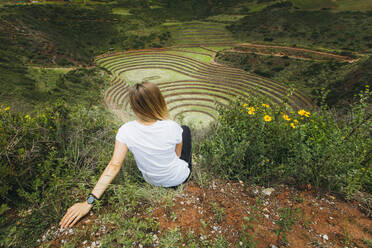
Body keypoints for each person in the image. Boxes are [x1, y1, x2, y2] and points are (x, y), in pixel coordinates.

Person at [59, 82, 192, 228]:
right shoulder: (172, 127)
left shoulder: (125, 131)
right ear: (159, 102)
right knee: (185, 130)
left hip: (152, 181)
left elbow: (114, 166)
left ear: (134, 106)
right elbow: (178, 155)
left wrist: (89, 202)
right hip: (179, 178)